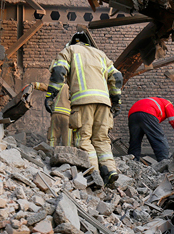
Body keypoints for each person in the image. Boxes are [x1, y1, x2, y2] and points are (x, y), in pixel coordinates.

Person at [45, 31, 123, 184]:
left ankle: (93, 173)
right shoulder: (101, 55)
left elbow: (59, 71)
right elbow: (117, 77)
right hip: (104, 103)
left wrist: (51, 95)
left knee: (83, 139)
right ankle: (110, 170)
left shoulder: (68, 51)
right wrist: (116, 100)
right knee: (101, 139)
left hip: (83, 102)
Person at [127, 97, 174, 162]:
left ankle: (132, 162)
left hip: (132, 114)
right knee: (159, 140)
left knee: (135, 141)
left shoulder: (153, 101)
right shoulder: (167, 103)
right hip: (148, 113)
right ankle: (164, 162)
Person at [46, 81, 72, 147]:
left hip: (56, 113)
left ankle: (51, 151)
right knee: (67, 138)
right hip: (68, 115)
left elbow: (46, 88)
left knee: (53, 136)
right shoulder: (74, 87)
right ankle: (67, 153)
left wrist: (35, 85)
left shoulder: (59, 85)